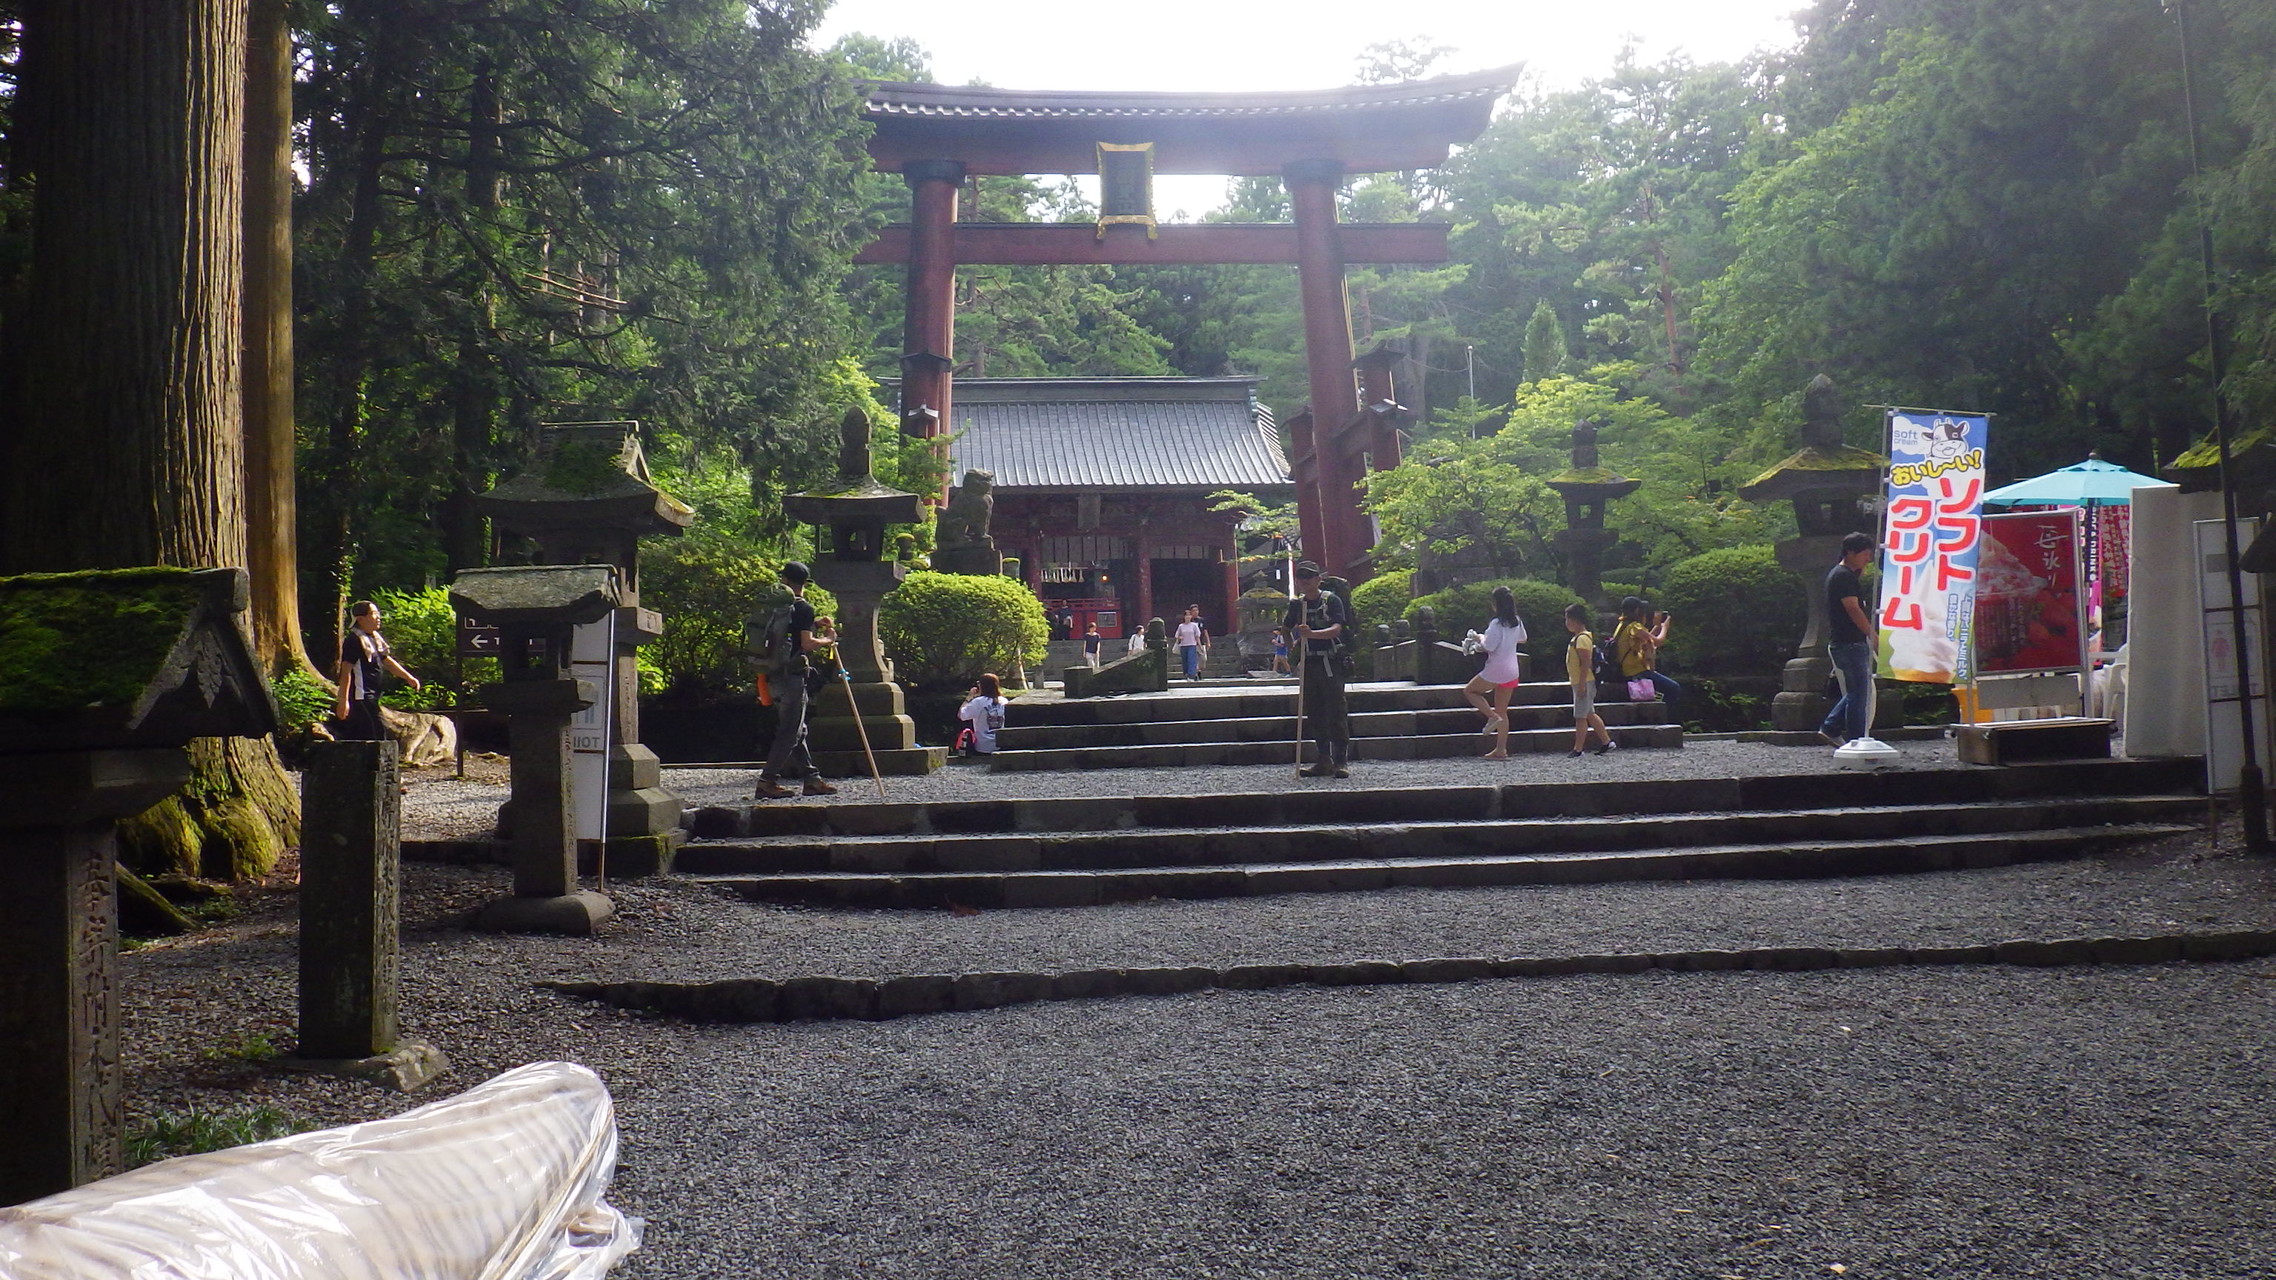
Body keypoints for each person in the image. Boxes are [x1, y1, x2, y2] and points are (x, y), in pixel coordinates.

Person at [753, 561, 840, 799]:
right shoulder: (803, 608)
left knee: (797, 728)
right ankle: (767, 781)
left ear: (785, 580)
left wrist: (813, 625)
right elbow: (806, 644)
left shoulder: (778, 608)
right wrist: (828, 639)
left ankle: (812, 779)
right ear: (805, 583)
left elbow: (791, 633)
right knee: (790, 731)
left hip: (773, 673)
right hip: (792, 675)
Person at [1285, 561, 1351, 777]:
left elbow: (1336, 628)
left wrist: (1311, 633)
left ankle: (1341, 760)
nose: (1305, 580)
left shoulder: (1331, 600)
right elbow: (1285, 629)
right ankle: (1323, 758)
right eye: (1301, 576)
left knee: (1336, 710)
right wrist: (1291, 649)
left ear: (1318, 579)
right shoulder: (1297, 605)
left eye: (1309, 576)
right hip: (1309, 662)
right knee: (1314, 712)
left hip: (1330, 662)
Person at [333, 600, 421, 742]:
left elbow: (386, 660)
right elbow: (346, 670)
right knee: (377, 733)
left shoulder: (373, 638)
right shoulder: (354, 639)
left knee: (368, 734)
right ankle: (379, 763)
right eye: (374, 614)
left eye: (378, 613)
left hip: (374, 695)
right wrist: (343, 701)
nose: (378, 617)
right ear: (360, 619)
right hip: (361, 696)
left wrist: (408, 677)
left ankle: (369, 762)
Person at [1821, 532, 1878, 747]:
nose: (1868, 558)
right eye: (1865, 554)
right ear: (1851, 553)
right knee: (1859, 694)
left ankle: (1831, 726)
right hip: (1850, 642)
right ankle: (1856, 739)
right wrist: (1871, 634)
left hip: (1845, 642)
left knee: (1857, 691)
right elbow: (1852, 608)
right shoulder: (1843, 577)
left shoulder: (1842, 574)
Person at [1463, 586, 1529, 759]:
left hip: (1496, 668)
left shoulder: (1496, 623)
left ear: (1495, 604)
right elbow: (1523, 638)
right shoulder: (1516, 620)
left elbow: (1488, 646)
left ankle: (1491, 717)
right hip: (1512, 670)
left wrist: (1478, 641)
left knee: (1470, 691)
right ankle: (1501, 749)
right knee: (1502, 710)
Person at [1612, 596, 1681, 715]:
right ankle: (1666, 717)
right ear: (1638, 610)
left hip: (1627, 671)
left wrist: (1657, 626)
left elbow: (1647, 638)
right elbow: (1657, 641)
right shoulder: (1634, 626)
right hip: (1636, 672)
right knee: (1673, 688)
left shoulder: (1623, 625)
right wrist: (1665, 628)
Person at [1563, 602, 1615, 758]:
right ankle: (1606, 741)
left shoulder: (1581, 639)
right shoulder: (1581, 638)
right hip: (1582, 681)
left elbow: (1586, 662)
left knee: (1580, 716)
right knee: (1589, 713)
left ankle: (1578, 749)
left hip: (1583, 681)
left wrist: (1581, 685)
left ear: (1573, 620)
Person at [959, 672, 1008, 755]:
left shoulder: (978, 702)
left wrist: (969, 698)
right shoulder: (1004, 701)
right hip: (1001, 744)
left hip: (983, 746)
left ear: (982, 685)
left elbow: (962, 715)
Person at [1174, 606, 1206, 681]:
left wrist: (1200, 645)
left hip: (1192, 645)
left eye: (1189, 615)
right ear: (1184, 617)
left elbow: (1197, 636)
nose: (1188, 617)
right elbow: (1177, 635)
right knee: (1185, 661)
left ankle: (1191, 675)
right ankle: (1186, 674)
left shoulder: (1194, 625)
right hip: (1183, 645)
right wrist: (1179, 637)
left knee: (1192, 660)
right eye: (1186, 615)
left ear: (1191, 616)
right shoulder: (1181, 626)